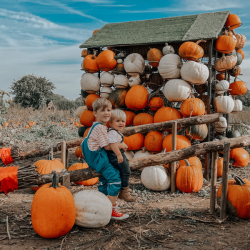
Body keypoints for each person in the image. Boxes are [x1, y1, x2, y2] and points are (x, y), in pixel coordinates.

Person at [81, 98, 129, 220]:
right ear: (95, 113)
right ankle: (111, 209)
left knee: (104, 182)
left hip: (95, 159)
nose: (107, 113)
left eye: (108, 110)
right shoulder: (101, 128)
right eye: (103, 110)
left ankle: (101, 207)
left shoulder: (95, 126)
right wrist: (121, 146)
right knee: (115, 180)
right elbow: (107, 147)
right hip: (100, 160)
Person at [106, 109, 135, 202]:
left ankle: (123, 187)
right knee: (126, 171)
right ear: (110, 123)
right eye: (117, 121)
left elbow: (117, 143)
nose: (121, 123)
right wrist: (119, 154)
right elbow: (112, 144)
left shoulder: (115, 132)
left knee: (124, 171)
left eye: (123, 121)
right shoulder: (112, 132)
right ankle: (124, 191)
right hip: (114, 155)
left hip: (117, 153)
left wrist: (123, 147)